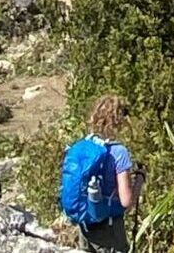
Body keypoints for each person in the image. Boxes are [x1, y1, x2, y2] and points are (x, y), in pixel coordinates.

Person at [58, 95, 139, 250]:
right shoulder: (119, 152)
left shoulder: (83, 146)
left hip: (85, 225)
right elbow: (126, 201)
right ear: (119, 120)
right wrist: (140, 179)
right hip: (109, 228)